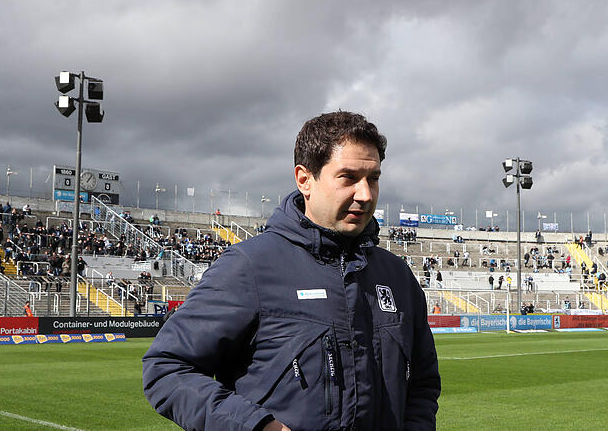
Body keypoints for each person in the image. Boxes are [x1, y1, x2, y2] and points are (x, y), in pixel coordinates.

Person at [143, 112, 440, 430]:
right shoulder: (250, 267)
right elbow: (166, 368)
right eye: (348, 177)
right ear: (304, 179)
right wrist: (255, 426)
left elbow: (422, 385)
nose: (365, 194)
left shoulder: (396, 276)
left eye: (373, 178)